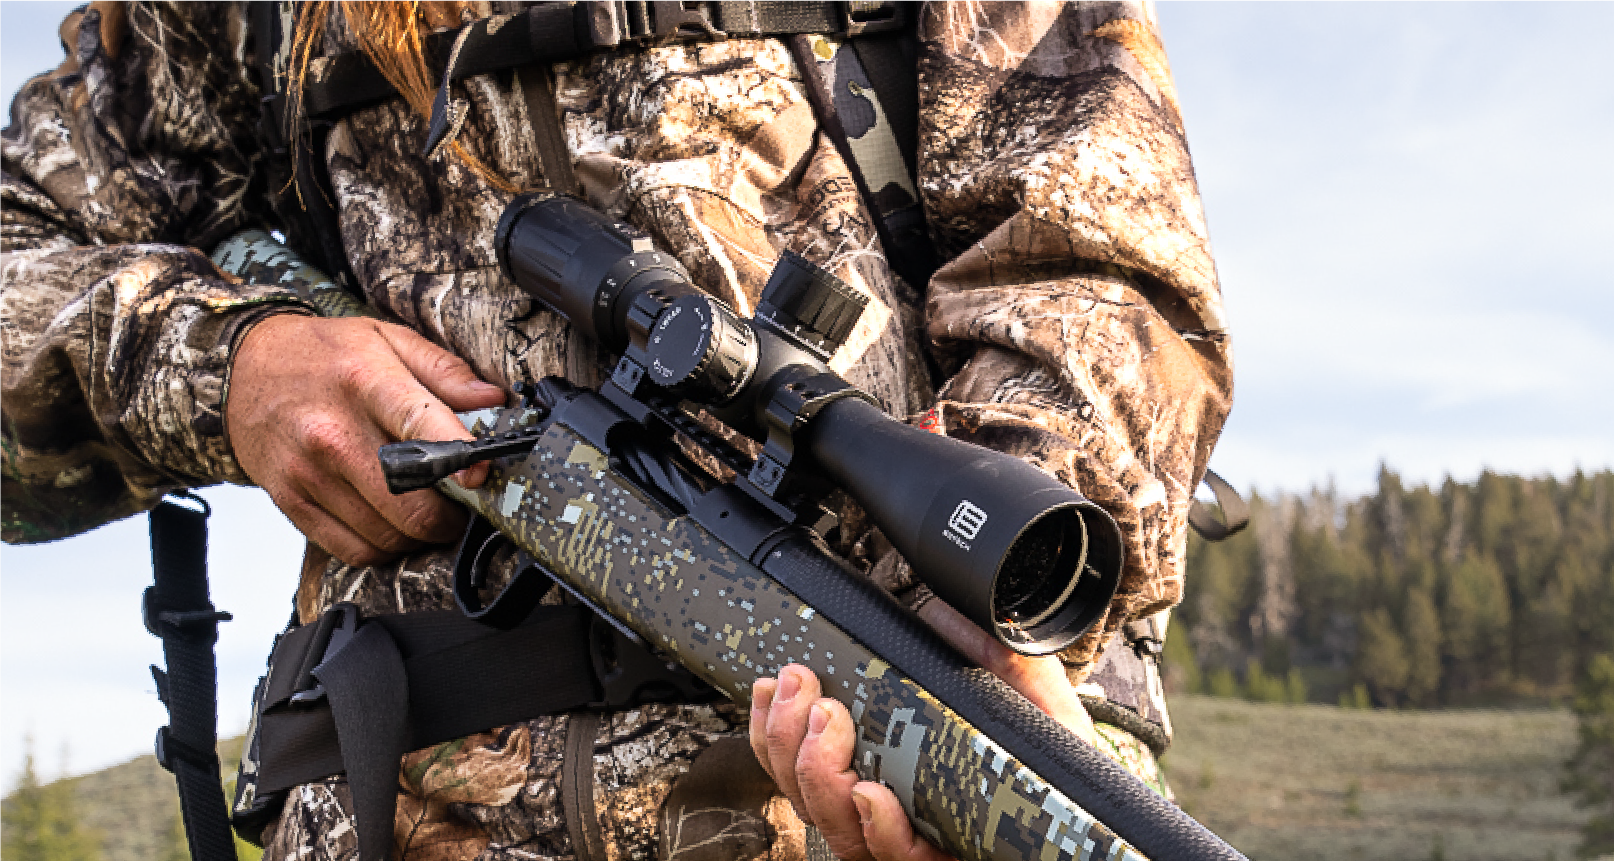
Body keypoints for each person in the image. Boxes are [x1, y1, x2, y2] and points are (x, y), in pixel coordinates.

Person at [0, 0, 1231, 858]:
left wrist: (1020, 673)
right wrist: (233, 365)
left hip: (889, 753)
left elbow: (1100, 279)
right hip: (406, 809)